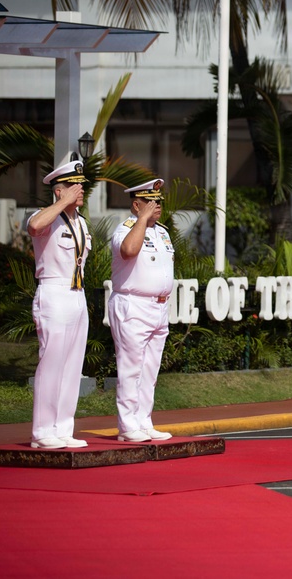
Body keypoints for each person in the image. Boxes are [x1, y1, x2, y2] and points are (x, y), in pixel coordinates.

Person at [26, 160, 92, 449]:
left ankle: (63, 428)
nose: (81, 192)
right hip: (53, 293)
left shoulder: (81, 222)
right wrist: (61, 202)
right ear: (59, 191)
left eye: (82, 186)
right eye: (75, 187)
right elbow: (34, 226)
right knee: (51, 363)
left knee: (72, 365)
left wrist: (69, 203)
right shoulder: (48, 217)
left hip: (77, 295)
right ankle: (42, 432)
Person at [108, 179, 175, 443]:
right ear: (136, 205)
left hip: (158, 307)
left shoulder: (162, 232)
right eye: (150, 202)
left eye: (158, 201)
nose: (156, 205)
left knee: (150, 369)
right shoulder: (125, 230)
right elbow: (128, 251)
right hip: (133, 305)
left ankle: (144, 421)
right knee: (131, 368)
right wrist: (142, 220)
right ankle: (127, 426)